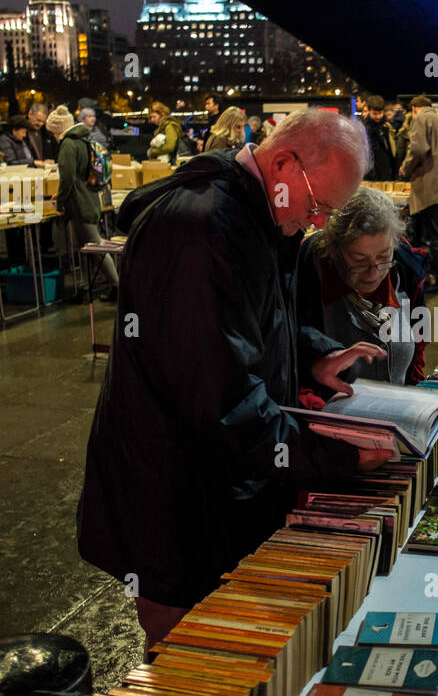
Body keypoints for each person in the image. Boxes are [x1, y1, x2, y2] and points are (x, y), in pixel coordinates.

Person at [77, 108, 394, 656]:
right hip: (178, 501)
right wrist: (336, 459)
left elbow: (256, 324)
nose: (319, 223)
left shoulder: (255, 210)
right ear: (283, 162)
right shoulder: (201, 229)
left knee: (229, 642)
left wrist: (313, 356)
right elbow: (218, 399)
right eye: (319, 206)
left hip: (216, 485)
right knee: (189, 653)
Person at [297, 186, 428, 385]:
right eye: (359, 260)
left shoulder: (406, 270)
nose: (373, 273)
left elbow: (418, 349)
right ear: (336, 250)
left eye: (384, 256)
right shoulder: (309, 272)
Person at [46, 105, 119, 300]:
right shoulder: (84, 139)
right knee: (86, 247)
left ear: (58, 129)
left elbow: (67, 177)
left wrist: (60, 201)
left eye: (52, 131)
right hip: (89, 196)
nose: (52, 135)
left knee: (96, 245)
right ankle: (86, 288)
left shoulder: (68, 144)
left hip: (80, 202)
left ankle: (118, 286)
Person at [399, 94, 438, 291]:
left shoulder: (420, 119)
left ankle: (436, 277)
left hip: (428, 185)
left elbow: (419, 148)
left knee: (432, 235)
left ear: (414, 108)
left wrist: (405, 167)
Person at [361, 95, 398, 181]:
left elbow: (390, 151)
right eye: (375, 114)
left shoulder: (386, 126)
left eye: (380, 113)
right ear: (369, 111)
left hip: (386, 173)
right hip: (373, 175)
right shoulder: (365, 128)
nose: (378, 116)